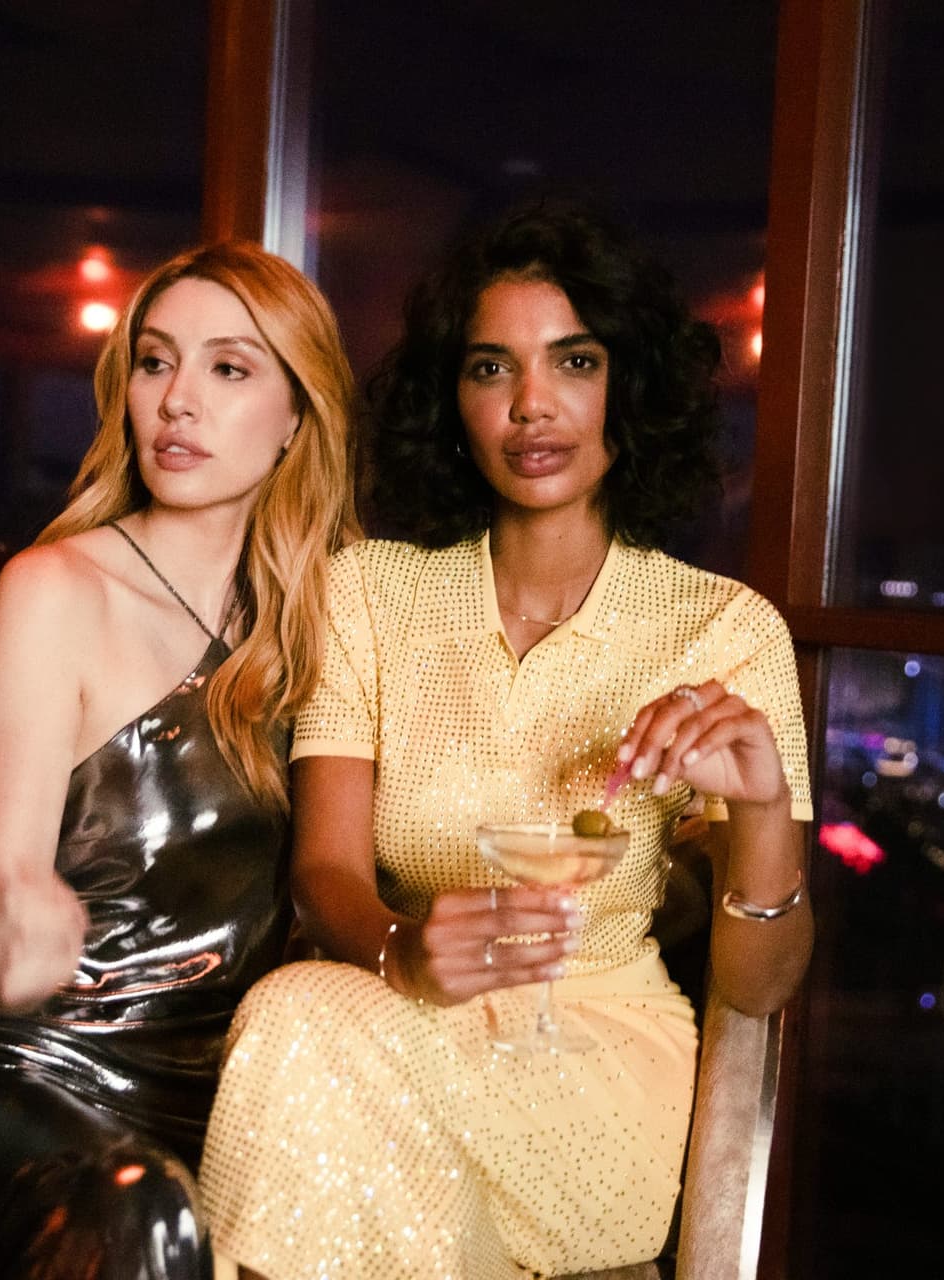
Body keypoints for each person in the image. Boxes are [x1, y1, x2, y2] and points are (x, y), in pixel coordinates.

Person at [197, 202, 815, 1279]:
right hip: (398, 1013)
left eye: (572, 359)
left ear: (630, 382)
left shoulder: (724, 627)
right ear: (454, 399)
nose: (532, 405)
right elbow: (326, 872)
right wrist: (400, 949)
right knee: (302, 1019)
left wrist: (761, 809)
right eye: (491, 368)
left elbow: (760, 990)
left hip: (599, 1058)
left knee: (298, 1037)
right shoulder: (371, 591)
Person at [0, 241, 358, 1280]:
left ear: (299, 416)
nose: (176, 400)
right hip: (16, 1075)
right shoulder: (56, 588)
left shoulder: (326, 622)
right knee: (143, 1210)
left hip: (222, 1092)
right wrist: (7, 913)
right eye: (157, 362)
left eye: (228, 368)